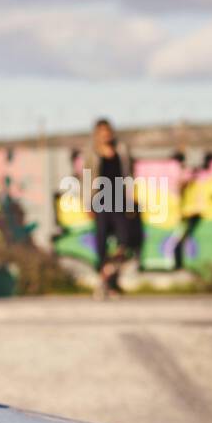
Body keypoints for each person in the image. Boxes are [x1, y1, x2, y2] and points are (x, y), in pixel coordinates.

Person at [81, 118, 140, 299]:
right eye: (102, 132)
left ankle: (106, 277)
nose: (105, 135)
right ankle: (109, 285)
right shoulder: (91, 152)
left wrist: (130, 201)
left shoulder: (121, 150)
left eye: (107, 131)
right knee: (101, 244)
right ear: (97, 134)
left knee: (124, 241)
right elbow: (87, 177)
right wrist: (86, 202)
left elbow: (128, 175)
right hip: (100, 201)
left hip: (119, 200)